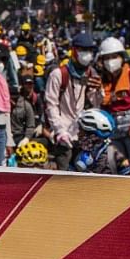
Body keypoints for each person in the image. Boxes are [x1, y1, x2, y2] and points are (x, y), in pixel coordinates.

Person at [90, 38, 130, 177]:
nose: (110, 61)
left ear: (122, 58)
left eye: (114, 57)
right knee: (115, 170)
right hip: (113, 128)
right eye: (107, 58)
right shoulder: (103, 80)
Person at [44, 33, 100, 170]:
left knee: (84, 175)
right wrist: (60, 130)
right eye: (83, 50)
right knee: (64, 176)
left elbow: (96, 104)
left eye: (89, 51)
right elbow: (51, 104)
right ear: (74, 51)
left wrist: (99, 90)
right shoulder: (58, 74)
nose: (87, 54)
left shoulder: (91, 74)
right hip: (63, 134)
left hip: (82, 134)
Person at [69, 109, 130, 176]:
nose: (78, 133)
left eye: (81, 130)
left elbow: (129, 177)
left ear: (90, 133)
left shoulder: (113, 153)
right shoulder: (75, 150)